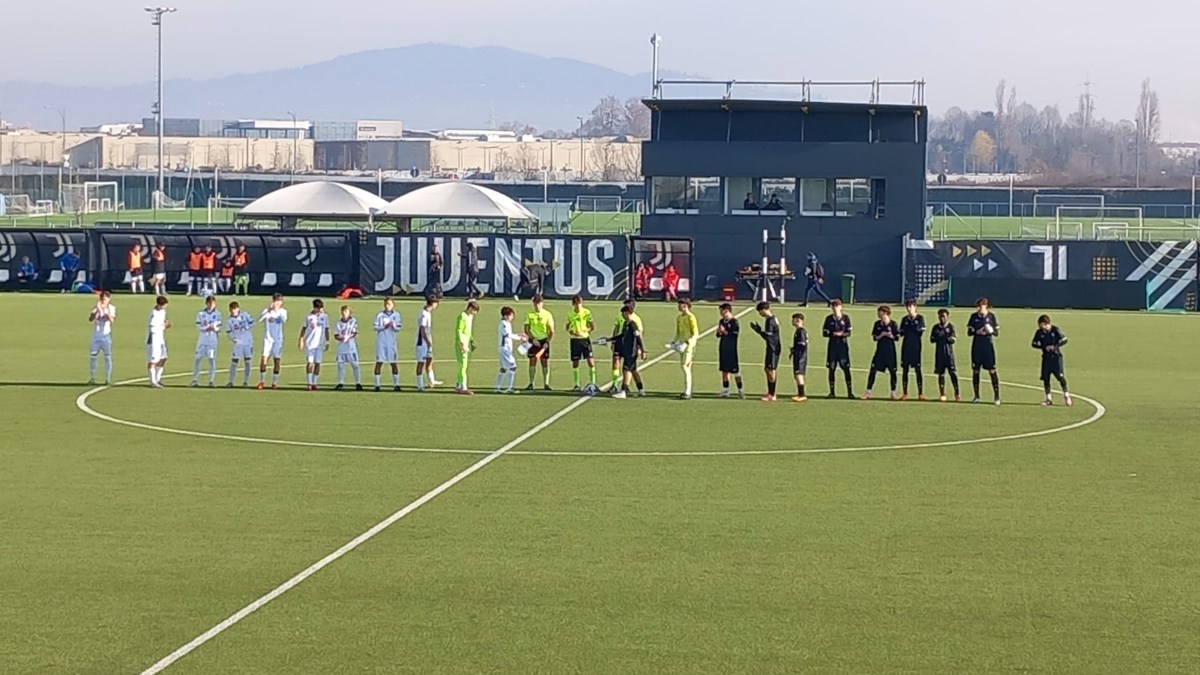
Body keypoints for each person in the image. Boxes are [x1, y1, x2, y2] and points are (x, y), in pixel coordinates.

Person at [1031, 314, 1072, 407]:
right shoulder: (1039, 332)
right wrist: (1043, 347)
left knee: (1060, 377)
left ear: (1046, 323)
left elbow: (1064, 340)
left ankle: (1066, 395)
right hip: (1046, 358)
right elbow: (1033, 343)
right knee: (1046, 378)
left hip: (1056, 357)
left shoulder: (1055, 330)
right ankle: (1048, 398)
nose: (1040, 326)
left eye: (1041, 324)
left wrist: (1055, 347)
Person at [966, 297, 1001, 405]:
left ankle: (996, 396)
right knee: (976, 371)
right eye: (979, 306)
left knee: (992, 370)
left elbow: (996, 333)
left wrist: (989, 331)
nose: (980, 308)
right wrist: (977, 331)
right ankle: (976, 396)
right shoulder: (973, 317)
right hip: (977, 346)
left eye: (982, 305)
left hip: (988, 346)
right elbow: (969, 333)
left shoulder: (991, 316)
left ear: (986, 306)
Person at [610, 304, 646, 399]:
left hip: (631, 351)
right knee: (633, 370)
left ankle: (623, 391)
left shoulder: (633, 324)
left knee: (626, 370)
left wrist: (642, 350)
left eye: (623, 313)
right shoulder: (626, 324)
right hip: (627, 349)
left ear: (627, 313)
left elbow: (638, 338)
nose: (622, 315)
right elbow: (622, 335)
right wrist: (610, 339)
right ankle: (641, 390)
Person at [863, 305, 899, 400]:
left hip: (890, 351)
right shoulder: (877, 324)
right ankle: (868, 392)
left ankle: (893, 393)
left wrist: (890, 335)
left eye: (880, 312)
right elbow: (875, 338)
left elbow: (897, 337)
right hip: (880, 351)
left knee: (893, 372)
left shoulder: (893, 324)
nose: (878, 314)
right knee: (873, 370)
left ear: (885, 313)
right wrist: (881, 335)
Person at [750, 301, 782, 402]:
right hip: (773, 346)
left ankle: (772, 394)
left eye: (760, 312)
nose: (760, 314)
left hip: (773, 347)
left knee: (770, 370)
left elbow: (768, 336)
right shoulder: (773, 318)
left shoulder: (770, 321)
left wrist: (759, 331)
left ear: (764, 310)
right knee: (768, 369)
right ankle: (771, 392)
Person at [822, 299, 854, 398]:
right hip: (832, 347)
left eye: (836, 306)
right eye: (833, 307)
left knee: (846, 368)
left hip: (843, 347)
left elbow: (849, 333)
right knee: (831, 369)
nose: (835, 308)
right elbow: (824, 333)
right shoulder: (828, 319)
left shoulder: (846, 318)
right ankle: (832, 392)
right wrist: (833, 333)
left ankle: (849, 392)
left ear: (841, 307)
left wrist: (842, 334)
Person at [257, 293, 288, 390]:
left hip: (278, 340)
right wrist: (269, 310)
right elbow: (259, 320)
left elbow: (284, 319)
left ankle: (274, 382)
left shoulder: (283, 312)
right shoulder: (267, 311)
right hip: (268, 339)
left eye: (280, 301)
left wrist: (276, 311)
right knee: (264, 359)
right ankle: (262, 381)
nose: (278, 303)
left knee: (277, 360)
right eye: (276, 301)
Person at [523, 294, 555, 390]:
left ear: (542, 303)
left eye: (539, 303)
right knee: (532, 361)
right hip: (533, 341)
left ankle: (546, 383)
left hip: (544, 340)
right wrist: (532, 339)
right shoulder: (530, 314)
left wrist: (547, 341)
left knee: (544, 361)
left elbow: (551, 330)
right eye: (535, 303)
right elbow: (526, 329)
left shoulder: (547, 314)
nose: (537, 305)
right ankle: (531, 383)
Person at [566, 295, 597, 392]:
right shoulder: (570, 314)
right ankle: (576, 384)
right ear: (573, 304)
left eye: (580, 304)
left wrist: (585, 330)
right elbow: (567, 327)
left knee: (591, 361)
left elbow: (592, 327)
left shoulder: (587, 312)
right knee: (575, 362)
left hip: (585, 339)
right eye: (576, 304)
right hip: (575, 340)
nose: (578, 306)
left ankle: (593, 383)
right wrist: (572, 332)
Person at [191, 295, 222, 388]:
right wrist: (206, 328)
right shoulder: (201, 314)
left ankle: (211, 380)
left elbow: (220, 327)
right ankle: (195, 379)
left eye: (213, 303)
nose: (211, 305)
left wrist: (215, 328)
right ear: (206, 303)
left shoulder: (218, 314)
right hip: (202, 339)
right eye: (209, 303)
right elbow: (198, 326)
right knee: (197, 359)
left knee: (211, 360)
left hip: (212, 340)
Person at [930, 308, 961, 402]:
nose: (942, 318)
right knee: (941, 374)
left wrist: (943, 337)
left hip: (949, 354)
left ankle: (957, 393)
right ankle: (942, 393)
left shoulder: (950, 327)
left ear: (947, 317)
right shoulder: (935, 327)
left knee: (952, 373)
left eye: (943, 316)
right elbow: (932, 339)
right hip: (939, 354)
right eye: (940, 316)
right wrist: (940, 337)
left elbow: (953, 339)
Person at [299, 299, 330, 391]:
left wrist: (327, 341)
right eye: (318, 308)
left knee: (318, 363)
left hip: (320, 344)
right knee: (310, 363)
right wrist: (301, 339)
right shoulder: (309, 316)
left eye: (321, 308)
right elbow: (304, 328)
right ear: (314, 307)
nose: (320, 310)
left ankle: (315, 382)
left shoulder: (325, 316)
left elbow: (327, 329)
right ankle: (309, 382)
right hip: (310, 343)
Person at [373, 296, 403, 392]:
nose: (387, 306)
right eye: (386, 304)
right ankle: (377, 385)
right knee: (379, 362)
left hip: (391, 342)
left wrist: (393, 326)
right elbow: (375, 327)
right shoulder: (380, 315)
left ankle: (396, 384)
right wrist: (383, 326)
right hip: (381, 341)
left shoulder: (396, 315)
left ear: (393, 305)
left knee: (393, 363)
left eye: (389, 304)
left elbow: (398, 328)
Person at [715, 302, 744, 399]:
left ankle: (741, 390)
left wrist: (724, 331)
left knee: (735, 372)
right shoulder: (721, 321)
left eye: (721, 311)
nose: (720, 313)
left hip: (731, 350)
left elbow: (734, 335)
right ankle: (725, 391)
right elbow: (718, 335)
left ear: (727, 311)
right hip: (723, 348)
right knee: (724, 371)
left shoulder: (734, 322)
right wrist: (719, 332)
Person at [899, 300, 926, 400]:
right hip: (906, 346)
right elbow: (901, 332)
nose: (909, 309)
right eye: (907, 307)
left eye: (911, 306)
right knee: (905, 369)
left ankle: (920, 393)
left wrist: (910, 329)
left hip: (916, 347)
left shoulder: (920, 318)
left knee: (917, 369)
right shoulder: (904, 319)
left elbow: (919, 331)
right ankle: (905, 393)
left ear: (915, 307)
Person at [87, 290, 116, 385]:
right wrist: (96, 311)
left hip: (106, 337)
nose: (103, 301)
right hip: (96, 336)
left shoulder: (111, 308)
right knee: (93, 357)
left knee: (107, 357)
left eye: (105, 299)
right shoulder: (96, 307)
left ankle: (107, 378)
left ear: (109, 299)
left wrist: (105, 312)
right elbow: (90, 319)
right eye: (102, 299)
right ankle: (92, 377)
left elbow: (112, 320)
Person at [673, 298, 699, 399]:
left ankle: (688, 391)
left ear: (685, 306)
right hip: (681, 345)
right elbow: (678, 332)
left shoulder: (691, 317)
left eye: (680, 305)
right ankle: (686, 390)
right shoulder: (679, 318)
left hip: (688, 346)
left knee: (685, 366)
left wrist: (688, 343)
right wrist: (674, 342)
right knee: (683, 366)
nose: (678, 307)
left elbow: (695, 333)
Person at [224, 301, 255, 387]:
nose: (233, 311)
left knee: (247, 362)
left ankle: (246, 381)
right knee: (234, 362)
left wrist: (247, 327)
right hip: (238, 344)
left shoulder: (245, 315)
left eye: (235, 309)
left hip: (248, 342)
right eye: (231, 309)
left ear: (238, 309)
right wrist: (233, 339)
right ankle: (230, 381)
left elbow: (252, 322)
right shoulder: (229, 321)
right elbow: (228, 332)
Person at [415, 296, 442, 390]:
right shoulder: (424, 314)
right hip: (422, 343)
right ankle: (420, 385)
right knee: (421, 363)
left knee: (430, 360)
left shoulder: (428, 313)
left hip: (427, 342)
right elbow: (422, 329)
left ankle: (431, 381)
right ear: (433, 303)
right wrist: (427, 341)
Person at [334, 305, 363, 391]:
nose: (344, 313)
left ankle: (358, 382)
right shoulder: (338, 323)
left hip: (351, 347)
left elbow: (354, 332)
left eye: (346, 311)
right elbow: (336, 335)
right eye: (343, 311)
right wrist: (341, 338)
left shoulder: (353, 321)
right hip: (341, 347)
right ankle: (341, 382)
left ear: (349, 313)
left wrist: (348, 337)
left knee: (355, 365)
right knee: (340, 365)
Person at [496, 306, 524, 394]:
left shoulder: (507, 324)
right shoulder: (503, 324)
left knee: (503, 368)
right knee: (513, 366)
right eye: (510, 315)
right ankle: (510, 387)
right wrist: (520, 338)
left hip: (506, 349)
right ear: (505, 316)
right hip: (504, 349)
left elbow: (510, 334)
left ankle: (497, 387)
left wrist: (518, 334)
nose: (512, 317)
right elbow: (508, 335)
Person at [146, 295, 171, 389]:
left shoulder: (162, 312)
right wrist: (164, 326)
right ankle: (153, 381)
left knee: (163, 358)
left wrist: (165, 325)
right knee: (153, 360)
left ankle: (157, 378)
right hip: (154, 339)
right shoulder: (154, 314)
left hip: (160, 338)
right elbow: (153, 328)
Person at [454, 300, 479, 395]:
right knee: (463, 365)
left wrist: (471, 340)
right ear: (470, 308)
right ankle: (463, 387)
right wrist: (462, 344)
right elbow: (459, 331)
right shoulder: (462, 316)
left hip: (466, 342)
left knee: (463, 365)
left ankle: (458, 384)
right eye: (474, 310)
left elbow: (468, 330)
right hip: (461, 343)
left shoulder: (470, 317)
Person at [789, 312, 809, 402]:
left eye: (793, 319)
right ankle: (800, 393)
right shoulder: (799, 331)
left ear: (797, 320)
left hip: (800, 356)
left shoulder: (801, 331)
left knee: (799, 374)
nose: (791, 321)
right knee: (797, 375)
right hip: (799, 355)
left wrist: (796, 350)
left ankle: (802, 394)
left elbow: (802, 344)